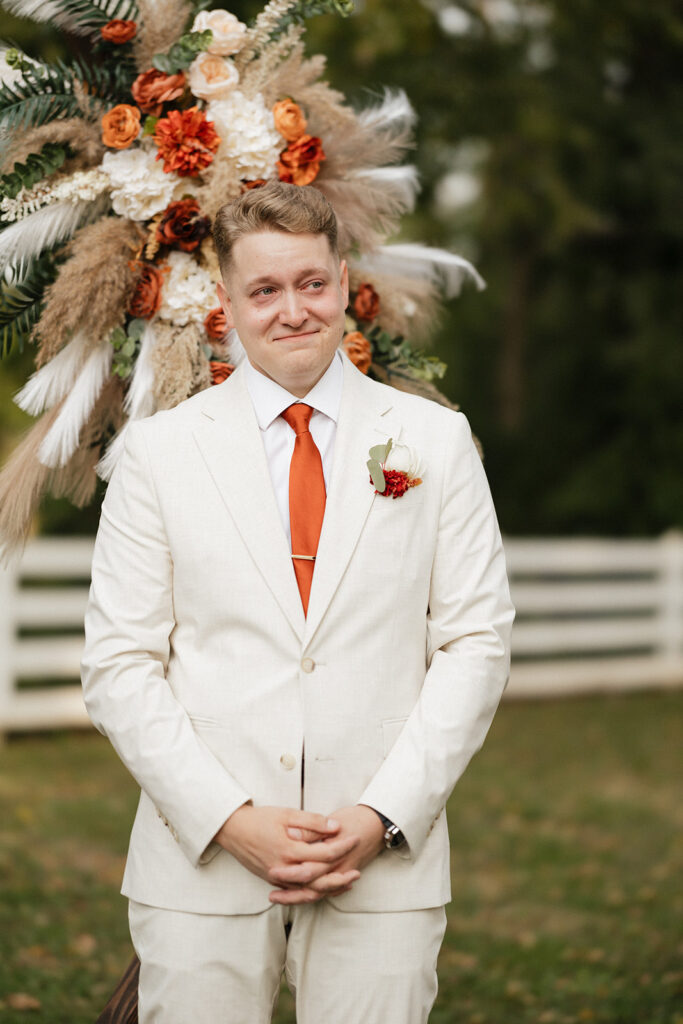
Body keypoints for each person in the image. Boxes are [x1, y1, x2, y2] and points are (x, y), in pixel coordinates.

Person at [81, 180, 514, 1024]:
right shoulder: (160, 454)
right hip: (202, 864)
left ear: (343, 280)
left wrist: (381, 813)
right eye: (265, 290)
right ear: (228, 299)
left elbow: (476, 642)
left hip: (380, 862)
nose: (293, 311)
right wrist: (230, 820)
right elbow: (119, 664)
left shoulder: (433, 441)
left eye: (311, 283)